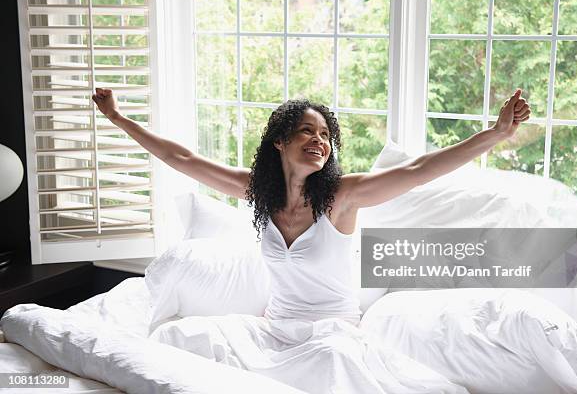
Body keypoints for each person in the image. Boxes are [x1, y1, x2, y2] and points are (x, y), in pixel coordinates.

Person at [92, 88, 530, 393]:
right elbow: (182, 158)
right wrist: (117, 118)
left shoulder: (342, 196)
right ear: (281, 141)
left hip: (332, 334)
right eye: (307, 131)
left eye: (325, 135)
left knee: (331, 363)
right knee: (179, 338)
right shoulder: (257, 191)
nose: (319, 141)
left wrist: (494, 134)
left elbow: (419, 171)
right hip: (273, 331)